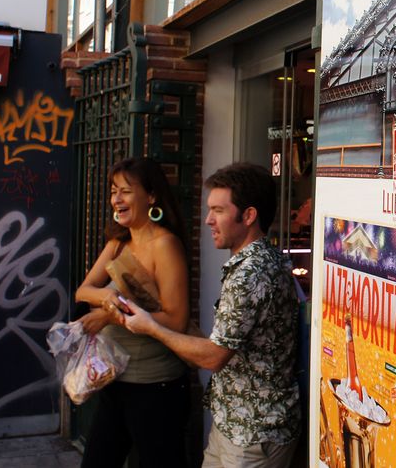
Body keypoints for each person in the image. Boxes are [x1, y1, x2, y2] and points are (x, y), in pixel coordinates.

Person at [121, 162, 300, 468]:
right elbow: (222, 346)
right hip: (233, 423)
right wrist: (165, 313)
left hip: (254, 435)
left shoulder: (251, 274)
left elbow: (213, 357)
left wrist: (151, 327)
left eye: (218, 210)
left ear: (248, 216)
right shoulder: (253, 263)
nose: (208, 220)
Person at [74, 157, 191, 468]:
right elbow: (83, 292)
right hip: (116, 380)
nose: (116, 199)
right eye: (114, 191)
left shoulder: (165, 245)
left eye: (125, 191)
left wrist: (111, 315)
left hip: (156, 387)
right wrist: (110, 298)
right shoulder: (118, 242)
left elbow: (176, 321)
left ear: (151, 196)